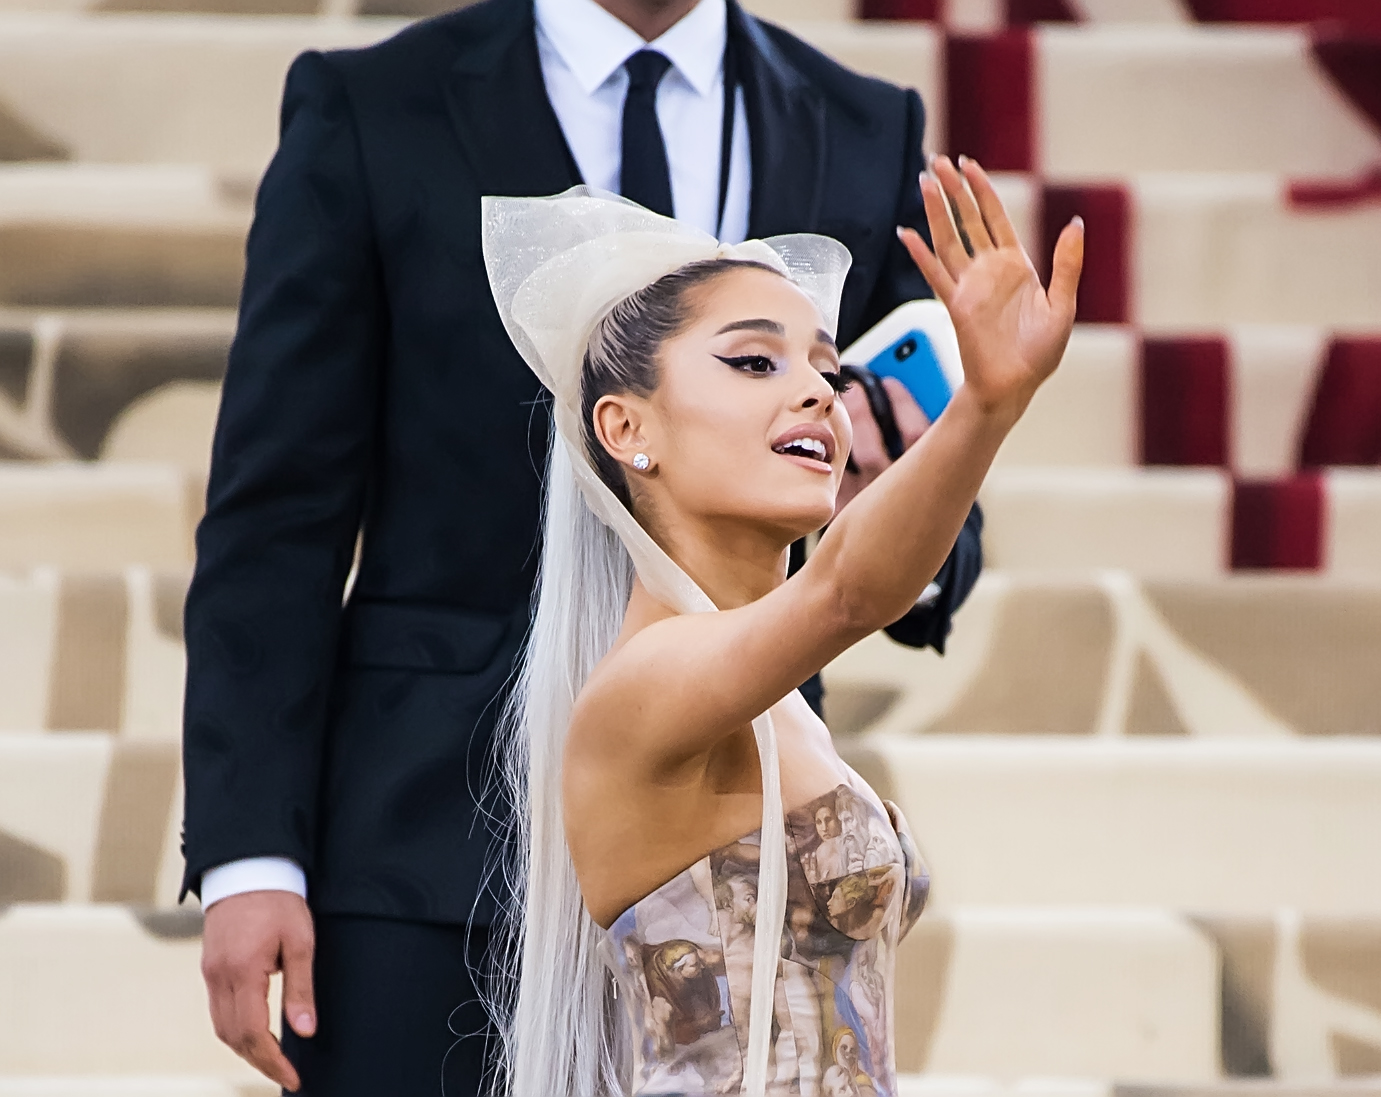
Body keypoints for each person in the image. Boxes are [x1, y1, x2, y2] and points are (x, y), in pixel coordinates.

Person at [182, 0, 983, 1093]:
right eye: (757, 360)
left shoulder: (862, 123)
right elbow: (277, 510)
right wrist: (249, 853)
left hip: (744, 853)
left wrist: (898, 498)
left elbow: (896, 509)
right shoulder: (371, 106)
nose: (806, 383)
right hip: (426, 858)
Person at [482, 154, 1082, 1095]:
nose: (816, 393)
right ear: (625, 428)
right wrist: (985, 407)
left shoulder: (779, 699)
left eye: (825, 367)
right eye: (755, 360)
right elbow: (845, 593)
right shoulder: (644, 683)